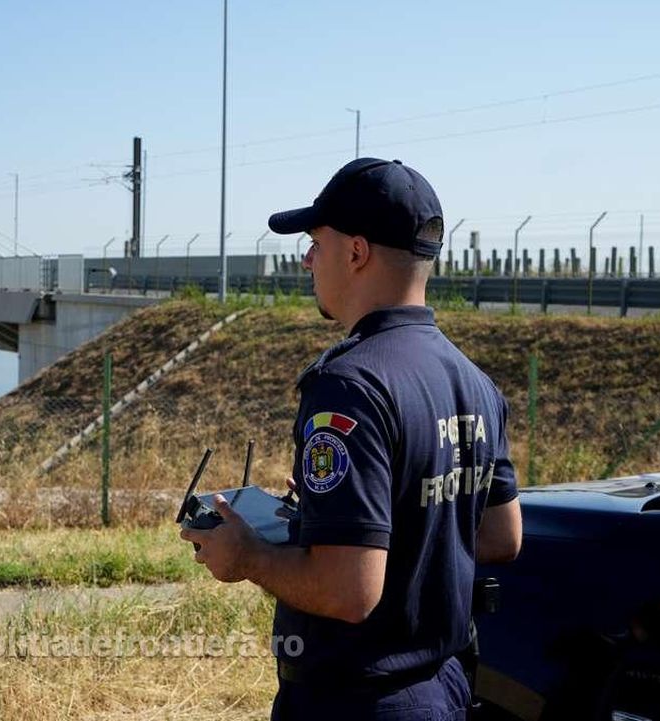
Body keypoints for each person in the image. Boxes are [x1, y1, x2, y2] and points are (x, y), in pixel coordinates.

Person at [179, 157, 523, 720]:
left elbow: (349, 591)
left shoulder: (350, 385)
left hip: (358, 700)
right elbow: (501, 535)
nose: (308, 258)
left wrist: (249, 556)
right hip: (445, 689)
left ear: (356, 252)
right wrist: (367, 517)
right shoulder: (473, 382)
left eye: (317, 241)